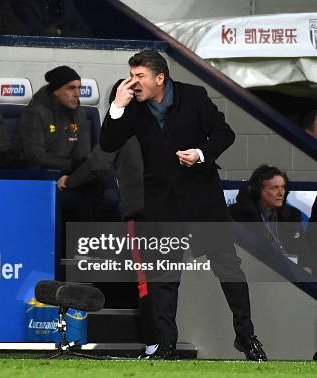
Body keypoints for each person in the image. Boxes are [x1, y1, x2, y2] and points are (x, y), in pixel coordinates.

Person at [100, 49, 267, 361]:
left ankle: (247, 338)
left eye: (140, 77)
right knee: (163, 277)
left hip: (202, 199)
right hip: (161, 203)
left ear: (159, 78)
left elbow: (224, 133)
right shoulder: (129, 102)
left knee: (229, 270)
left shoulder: (194, 96)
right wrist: (117, 108)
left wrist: (201, 154)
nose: (133, 82)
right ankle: (166, 346)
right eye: (131, 75)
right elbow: (109, 143)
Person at [17, 65, 115, 220]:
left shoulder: (79, 113)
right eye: (71, 88)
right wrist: (71, 166)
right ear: (56, 91)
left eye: (79, 88)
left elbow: (82, 155)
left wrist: (76, 173)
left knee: (97, 180)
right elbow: (35, 156)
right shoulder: (35, 112)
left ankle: (83, 239)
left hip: (67, 173)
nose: (77, 93)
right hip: (42, 175)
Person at [229, 165, 313, 274]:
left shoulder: (291, 215)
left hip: (291, 276)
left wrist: (307, 267)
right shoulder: (237, 215)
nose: (280, 193)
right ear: (257, 190)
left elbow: (303, 252)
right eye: (274, 188)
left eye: (282, 187)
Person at [12, 0, 90, 37]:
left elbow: (86, 33)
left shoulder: (67, 4)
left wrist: (61, 32)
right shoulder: (24, 4)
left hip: (70, 56)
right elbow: (39, 35)